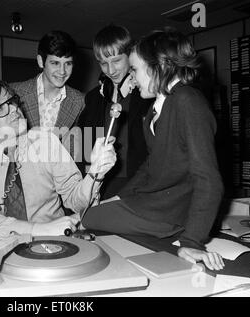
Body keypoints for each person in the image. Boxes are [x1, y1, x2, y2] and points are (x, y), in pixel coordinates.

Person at [82, 28, 225, 270]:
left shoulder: (187, 101)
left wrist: (192, 241)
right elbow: (150, 166)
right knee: (94, 215)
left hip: (169, 211)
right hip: (156, 204)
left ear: (158, 67)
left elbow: (209, 180)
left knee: (88, 218)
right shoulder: (157, 107)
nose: (133, 78)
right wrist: (119, 197)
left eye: (135, 70)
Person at [0, 79, 116, 239]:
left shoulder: (46, 141)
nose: (14, 109)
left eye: (12, 101)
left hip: (56, 239)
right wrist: (40, 229)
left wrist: (96, 172)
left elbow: (76, 201)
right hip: (3, 243)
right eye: (1, 108)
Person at [78, 24, 153, 199]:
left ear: (131, 56)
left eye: (117, 61)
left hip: (137, 183)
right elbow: (85, 142)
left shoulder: (147, 95)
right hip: (100, 181)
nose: (110, 70)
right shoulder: (94, 97)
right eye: (103, 63)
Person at [10, 30, 84, 160]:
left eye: (68, 63)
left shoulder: (80, 101)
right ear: (40, 61)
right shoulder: (13, 93)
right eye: (55, 63)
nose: (62, 71)